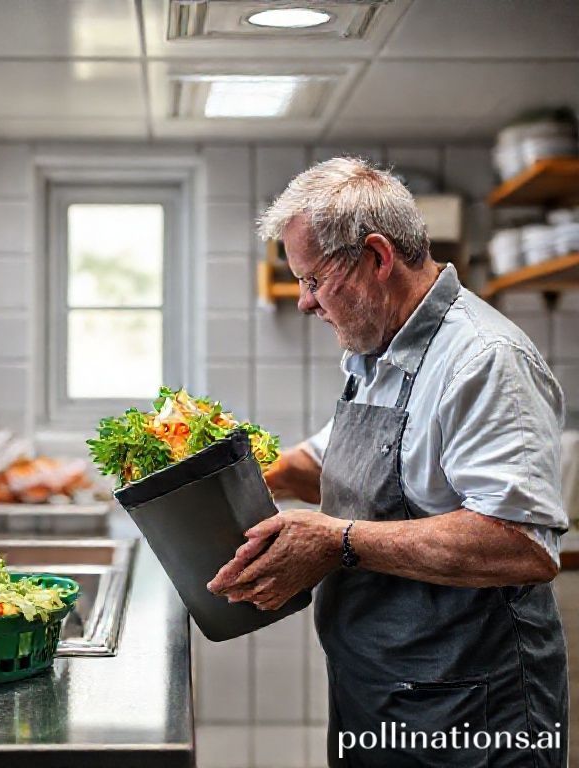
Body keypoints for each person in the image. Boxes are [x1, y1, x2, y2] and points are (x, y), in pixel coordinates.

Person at [207, 157, 568, 767]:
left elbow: (520, 544)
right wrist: (213, 474)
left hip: (470, 704)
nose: (304, 303)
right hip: (377, 688)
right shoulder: (377, 350)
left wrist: (337, 541)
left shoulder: (484, 359)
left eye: (314, 281)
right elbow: (331, 461)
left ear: (376, 258)